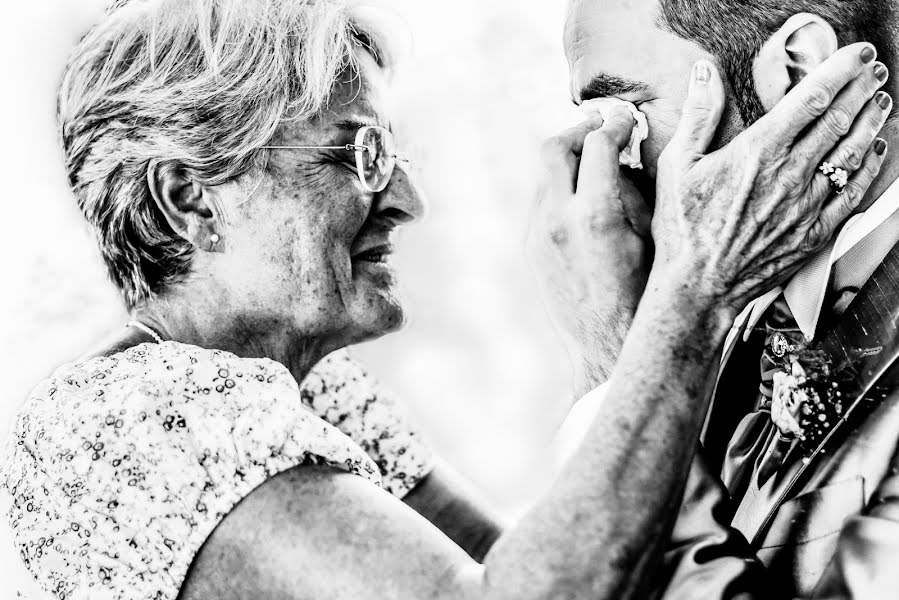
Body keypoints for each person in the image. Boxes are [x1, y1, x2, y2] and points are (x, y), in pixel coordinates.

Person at [0, 0, 887, 599]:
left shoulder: (317, 394)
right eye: (361, 158)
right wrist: (686, 296)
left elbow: (573, 566)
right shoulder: (127, 421)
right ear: (186, 199)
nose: (407, 203)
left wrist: (614, 350)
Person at [561, 0, 899, 597]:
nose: (603, 169)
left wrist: (622, 367)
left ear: (799, 69)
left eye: (624, 117)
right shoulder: (739, 325)